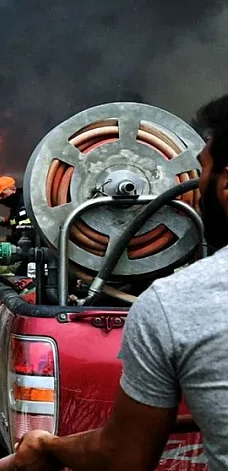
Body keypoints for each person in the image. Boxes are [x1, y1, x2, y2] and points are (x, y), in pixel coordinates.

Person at [13, 94, 228, 470]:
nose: (194, 184)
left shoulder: (176, 306)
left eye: (203, 169)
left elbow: (123, 457)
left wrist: (47, 448)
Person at [0, 176, 36, 277]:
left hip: (37, 252)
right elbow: (16, 220)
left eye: (2, 194)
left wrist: (8, 240)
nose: (0, 199)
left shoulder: (24, 204)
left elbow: (27, 230)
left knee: (22, 279)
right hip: (30, 254)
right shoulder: (16, 204)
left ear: (13, 189)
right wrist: (6, 221)